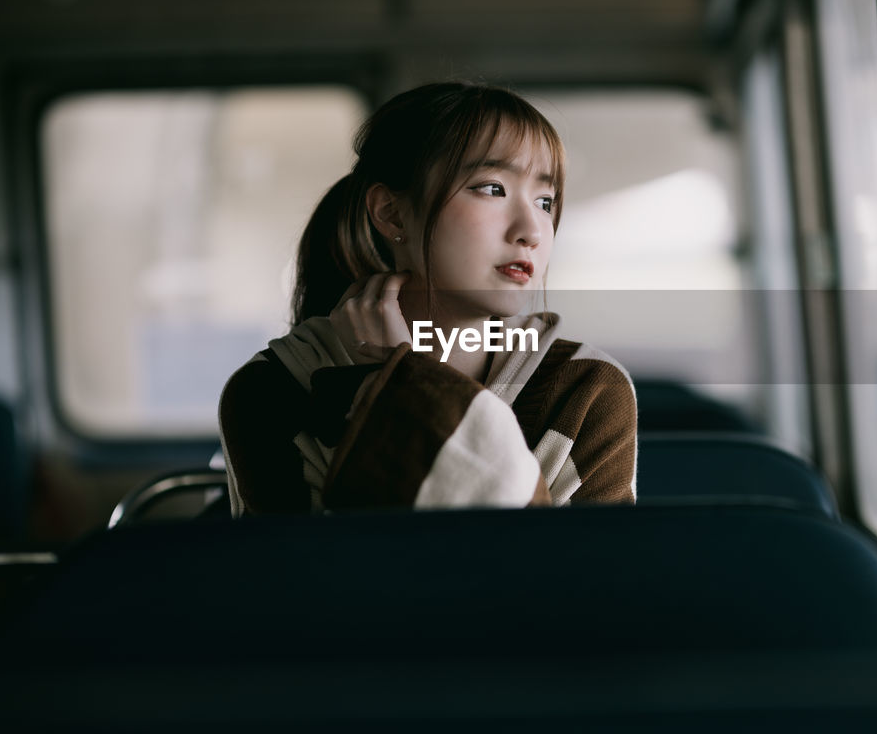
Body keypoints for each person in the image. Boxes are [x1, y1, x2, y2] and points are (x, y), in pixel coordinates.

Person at [218, 82, 637, 515]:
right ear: (392, 213)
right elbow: (317, 578)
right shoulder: (275, 391)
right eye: (493, 189)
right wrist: (402, 382)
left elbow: (574, 577)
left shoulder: (585, 389)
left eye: (546, 200)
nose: (531, 231)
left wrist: (403, 378)